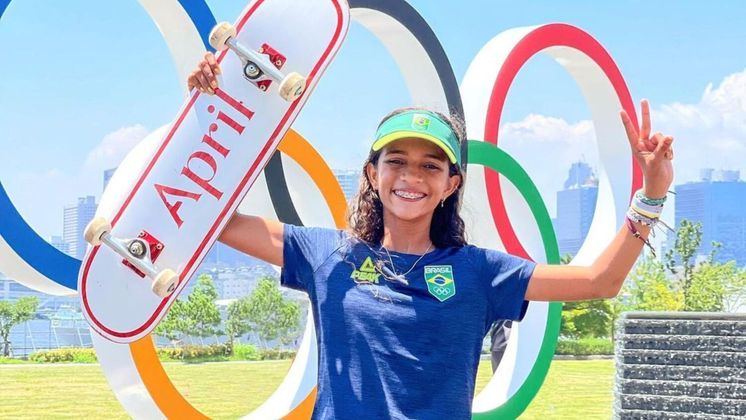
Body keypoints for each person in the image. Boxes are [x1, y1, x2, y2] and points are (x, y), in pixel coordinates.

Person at [188, 53, 674, 419]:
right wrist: (208, 111)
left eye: (430, 166)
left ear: (451, 184)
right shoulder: (327, 255)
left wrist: (652, 194)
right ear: (373, 174)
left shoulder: (480, 271)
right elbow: (213, 216)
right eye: (396, 161)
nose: (411, 177)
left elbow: (598, 280)